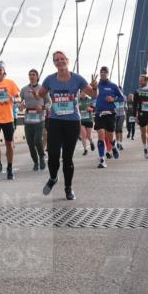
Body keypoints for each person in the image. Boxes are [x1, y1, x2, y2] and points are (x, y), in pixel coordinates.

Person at [37, 51, 97, 200]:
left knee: (67, 157)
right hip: (55, 121)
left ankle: (68, 188)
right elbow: (41, 94)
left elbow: (93, 94)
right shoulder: (50, 79)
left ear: (67, 60)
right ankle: (53, 178)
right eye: (56, 60)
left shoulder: (77, 79)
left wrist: (95, 87)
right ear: (54, 63)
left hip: (72, 122)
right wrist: (45, 95)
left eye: (62, 59)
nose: (60, 61)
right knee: (53, 156)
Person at [93, 66, 124, 168]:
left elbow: (122, 98)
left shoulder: (113, 86)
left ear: (108, 74)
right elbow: (91, 94)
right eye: (101, 72)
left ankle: (113, 146)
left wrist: (113, 99)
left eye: (105, 72)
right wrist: (93, 87)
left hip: (110, 113)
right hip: (99, 113)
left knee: (110, 137)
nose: (103, 73)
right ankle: (102, 159)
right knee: (101, 134)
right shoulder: (97, 85)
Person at [20, 69, 49, 171]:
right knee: (30, 144)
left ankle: (41, 156)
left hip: (39, 119)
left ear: (37, 77)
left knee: (37, 140)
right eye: (30, 75)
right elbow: (20, 102)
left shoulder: (42, 89)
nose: (31, 76)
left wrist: (42, 107)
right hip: (28, 119)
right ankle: (35, 162)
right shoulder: (24, 89)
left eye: (33, 75)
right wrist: (20, 106)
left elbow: (49, 103)